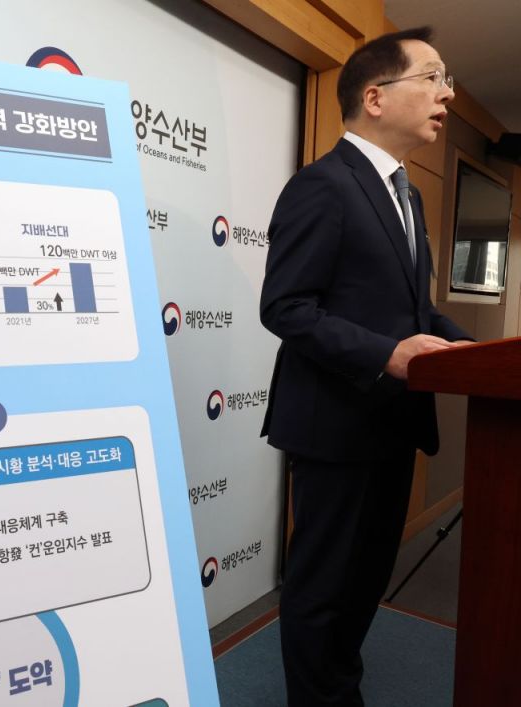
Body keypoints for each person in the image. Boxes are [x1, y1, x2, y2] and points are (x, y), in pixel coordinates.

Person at [259, 27, 472, 706]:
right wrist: (386, 353)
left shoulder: (407, 195)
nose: (447, 94)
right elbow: (286, 307)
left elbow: (417, 312)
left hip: (392, 427)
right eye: (433, 77)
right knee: (323, 588)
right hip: (335, 426)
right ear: (375, 98)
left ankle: (338, 687)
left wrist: (473, 352)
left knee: (364, 583)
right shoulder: (323, 184)